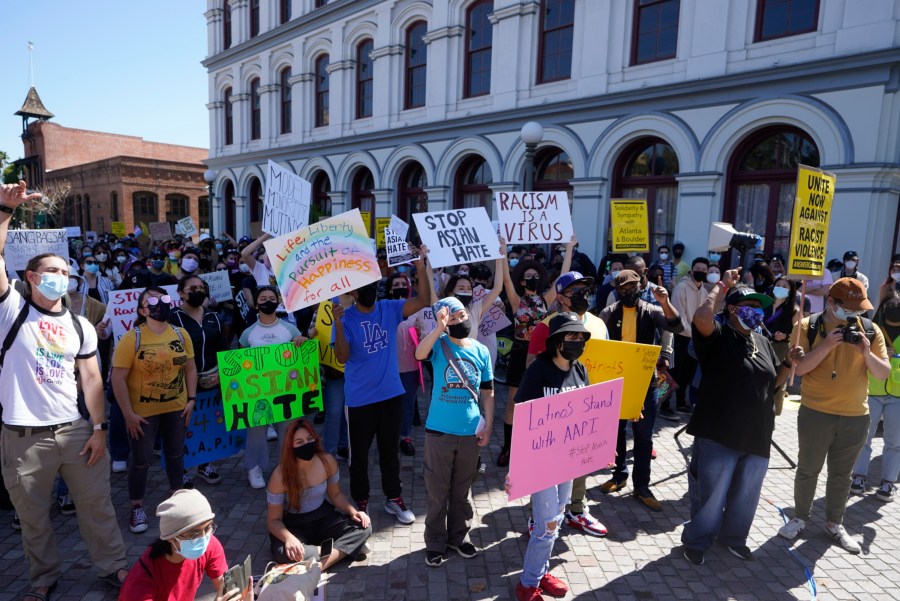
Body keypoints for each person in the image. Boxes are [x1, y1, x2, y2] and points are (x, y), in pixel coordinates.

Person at [0, 181, 129, 597]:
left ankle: (113, 567)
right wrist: (5, 210)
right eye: (53, 271)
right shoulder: (12, 310)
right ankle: (43, 579)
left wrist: (98, 429)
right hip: (23, 439)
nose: (62, 277)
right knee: (34, 519)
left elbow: (92, 380)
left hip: (77, 433)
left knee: (98, 508)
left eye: (66, 271)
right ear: (31, 276)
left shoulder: (81, 325)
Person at [681, 274, 795, 564]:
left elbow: (773, 384)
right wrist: (721, 286)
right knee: (711, 496)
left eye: (760, 307)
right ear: (731, 308)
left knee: (746, 496)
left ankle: (733, 538)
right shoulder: (717, 334)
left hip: (756, 434)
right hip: (719, 432)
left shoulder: (762, 340)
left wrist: (789, 364)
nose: (756, 311)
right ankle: (697, 540)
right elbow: (701, 316)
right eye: (749, 305)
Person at [777, 278, 890, 553]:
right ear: (832, 302)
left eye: (859, 309)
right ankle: (800, 517)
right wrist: (827, 345)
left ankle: (834, 522)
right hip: (817, 412)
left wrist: (865, 351)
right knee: (808, 470)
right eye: (849, 308)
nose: (856, 314)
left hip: (856, 416)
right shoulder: (807, 325)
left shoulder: (870, 330)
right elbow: (800, 370)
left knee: (842, 475)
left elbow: (882, 372)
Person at [333, 247, 431, 524]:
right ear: (353, 292)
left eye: (374, 285)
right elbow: (342, 357)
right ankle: (360, 502)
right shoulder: (346, 317)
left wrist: (419, 266)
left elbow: (424, 299)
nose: (371, 290)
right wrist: (338, 324)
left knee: (390, 453)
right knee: (359, 457)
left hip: (391, 395)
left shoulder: (390, 308)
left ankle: (394, 498)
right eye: (365, 287)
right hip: (360, 400)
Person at [511, 312, 592, 601]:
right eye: (572, 336)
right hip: (541, 463)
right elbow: (522, 418)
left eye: (581, 337)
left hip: (567, 460)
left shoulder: (580, 369)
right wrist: (516, 468)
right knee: (546, 525)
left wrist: (602, 448)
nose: (578, 342)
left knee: (555, 519)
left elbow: (588, 414)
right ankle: (527, 584)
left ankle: (540, 569)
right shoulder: (538, 371)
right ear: (556, 341)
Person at [525, 271, 609, 536]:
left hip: (589, 410)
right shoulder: (546, 325)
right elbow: (532, 367)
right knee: (546, 471)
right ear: (560, 297)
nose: (582, 294)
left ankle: (576, 509)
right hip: (553, 415)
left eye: (585, 288)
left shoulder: (598, 323)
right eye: (575, 291)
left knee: (580, 463)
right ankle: (538, 515)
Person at [414, 297, 494, 567]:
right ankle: (435, 543)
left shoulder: (481, 350)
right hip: (439, 432)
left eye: (461, 315)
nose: (460, 321)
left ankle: (459, 537)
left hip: (471, 431)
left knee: (462, 490)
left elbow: (488, 391)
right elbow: (419, 354)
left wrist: (489, 423)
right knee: (438, 491)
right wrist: (439, 328)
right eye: (453, 319)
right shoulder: (439, 344)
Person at [111, 286, 197, 534]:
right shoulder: (132, 338)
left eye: (164, 299)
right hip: (142, 413)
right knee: (140, 460)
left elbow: (190, 369)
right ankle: (136, 507)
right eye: (153, 301)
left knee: (175, 454)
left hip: (177, 408)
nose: (161, 304)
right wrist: (128, 413)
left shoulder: (181, 334)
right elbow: (118, 379)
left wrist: (191, 399)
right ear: (142, 310)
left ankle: (178, 502)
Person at [599, 270, 682, 511]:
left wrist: (666, 302)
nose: (629, 292)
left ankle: (642, 486)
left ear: (641, 286)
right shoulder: (607, 313)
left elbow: (677, 326)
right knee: (616, 430)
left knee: (644, 435)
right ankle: (619, 475)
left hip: (646, 383)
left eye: (633, 288)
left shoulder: (652, 310)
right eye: (623, 289)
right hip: (615, 381)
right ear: (617, 290)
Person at [497, 237, 575, 467]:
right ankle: (508, 448)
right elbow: (505, 282)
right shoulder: (516, 300)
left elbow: (563, 277)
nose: (532, 278)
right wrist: (502, 252)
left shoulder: (546, 298)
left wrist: (569, 249)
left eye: (535, 275)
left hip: (541, 353)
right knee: (513, 402)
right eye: (527, 276)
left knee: (539, 403)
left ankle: (534, 445)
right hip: (520, 351)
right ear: (521, 280)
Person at [266, 419, 372, 570]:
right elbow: (273, 521)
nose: (306, 444)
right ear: (290, 446)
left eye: (310, 439)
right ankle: (346, 549)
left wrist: (354, 512)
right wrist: (289, 539)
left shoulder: (327, 461)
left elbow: (335, 495)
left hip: (324, 518)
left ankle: (319, 565)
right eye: (299, 442)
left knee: (364, 527)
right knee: (282, 553)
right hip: (295, 525)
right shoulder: (279, 476)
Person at [118, 489, 251, 601]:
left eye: (208, 528)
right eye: (194, 534)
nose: (203, 537)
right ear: (170, 537)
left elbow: (226, 589)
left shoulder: (209, 544)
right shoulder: (141, 583)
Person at [238, 286, 307, 488]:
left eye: (272, 297)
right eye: (263, 298)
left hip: (286, 390)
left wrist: (303, 341)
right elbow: (241, 364)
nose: (268, 301)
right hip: (258, 393)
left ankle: (287, 467)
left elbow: (302, 356)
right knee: (256, 432)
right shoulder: (248, 333)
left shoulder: (290, 329)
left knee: (288, 431)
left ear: (278, 301)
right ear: (257, 303)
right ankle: (254, 467)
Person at [170, 275, 226, 487]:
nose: (198, 291)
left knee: (207, 423)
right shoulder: (172, 318)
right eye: (192, 288)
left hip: (212, 381)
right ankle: (182, 469)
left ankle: (205, 464)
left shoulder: (213, 316)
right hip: (183, 383)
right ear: (181, 293)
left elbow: (221, 348)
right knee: (183, 427)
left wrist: (221, 374)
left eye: (201, 288)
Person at [850, 290, 900, 501]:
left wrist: (894, 358)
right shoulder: (872, 330)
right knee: (864, 438)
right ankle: (859, 477)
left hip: (897, 394)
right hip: (872, 389)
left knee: (894, 442)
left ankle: (888, 483)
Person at [668, 257, 711, 416]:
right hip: (680, 337)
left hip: (695, 339)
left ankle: (680, 402)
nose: (701, 271)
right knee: (673, 372)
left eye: (704, 270)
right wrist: (695, 334)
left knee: (688, 373)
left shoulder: (704, 291)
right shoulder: (681, 288)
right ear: (692, 271)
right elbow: (679, 316)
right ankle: (663, 404)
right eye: (698, 269)